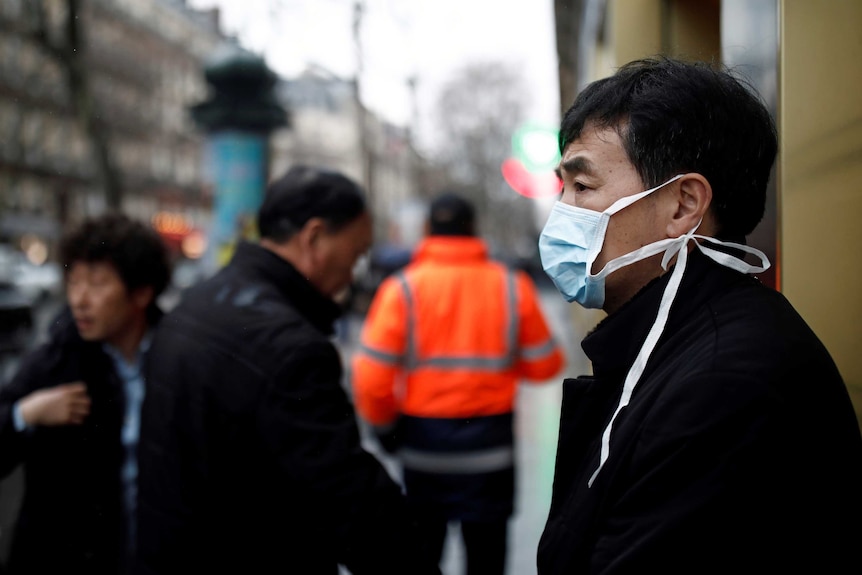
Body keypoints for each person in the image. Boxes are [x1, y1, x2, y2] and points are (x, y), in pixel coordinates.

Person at [536, 56, 862, 574]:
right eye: (563, 188)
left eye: (582, 187)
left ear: (683, 205)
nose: (563, 213)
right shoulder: (681, 342)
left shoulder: (724, 386)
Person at [135, 165, 439, 575]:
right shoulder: (291, 349)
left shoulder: (193, 305)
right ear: (313, 237)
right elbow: (350, 502)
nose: (352, 273)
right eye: (354, 254)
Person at [352, 192, 564, 575]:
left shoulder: (401, 290)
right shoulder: (510, 286)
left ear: (429, 230)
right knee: (486, 557)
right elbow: (546, 365)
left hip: (423, 450)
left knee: (422, 554)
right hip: (491, 450)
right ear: (472, 229)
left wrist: (384, 430)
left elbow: (371, 378)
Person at [0, 212, 171, 575]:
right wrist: (25, 415)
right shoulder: (55, 361)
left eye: (96, 284)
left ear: (141, 292)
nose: (79, 299)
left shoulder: (181, 360)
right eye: (73, 282)